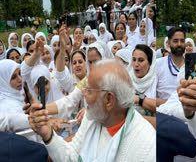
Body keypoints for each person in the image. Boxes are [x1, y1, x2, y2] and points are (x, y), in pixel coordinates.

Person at [28, 59, 156, 161]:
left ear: (109, 100)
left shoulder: (146, 146)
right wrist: (48, 135)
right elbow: (71, 157)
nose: (83, 94)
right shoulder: (92, 118)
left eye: (89, 90)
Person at [156, 27, 185, 103]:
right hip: (163, 112)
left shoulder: (192, 65)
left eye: (182, 41)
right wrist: (174, 103)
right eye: (175, 41)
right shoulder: (158, 64)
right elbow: (152, 98)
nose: (179, 44)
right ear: (168, 43)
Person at [130, 44, 156, 115]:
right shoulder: (126, 79)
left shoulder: (157, 81)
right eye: (134, 60)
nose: (136, 64)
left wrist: (139, 99)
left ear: (150, 63)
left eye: (141, 60)